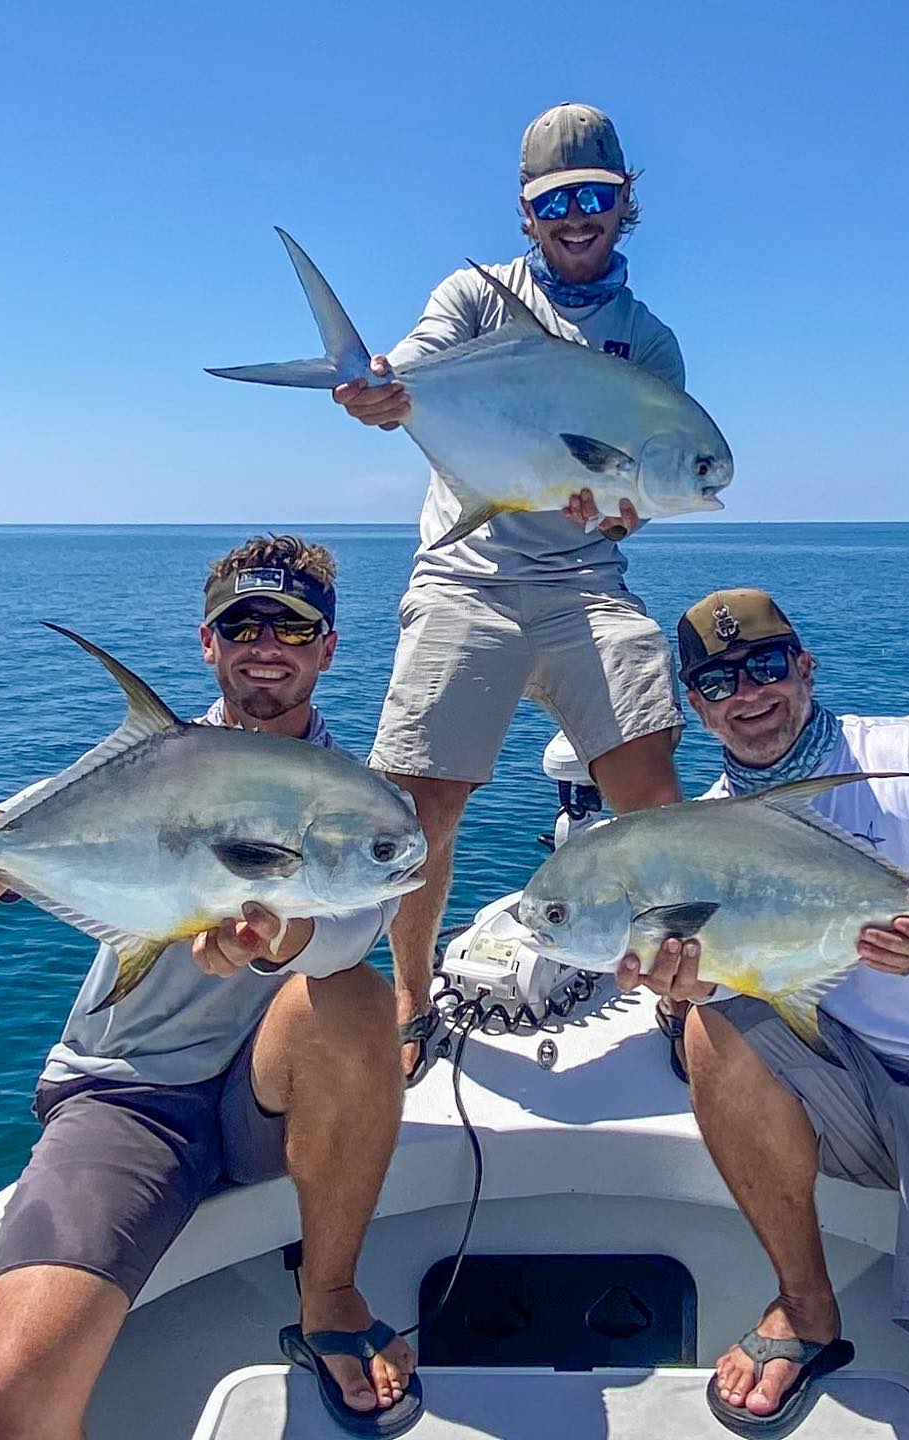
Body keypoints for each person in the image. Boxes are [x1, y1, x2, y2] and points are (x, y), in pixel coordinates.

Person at [0, 536, 421, 1440]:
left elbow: (346, 929)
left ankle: (330, 1291)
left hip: (278, 1097)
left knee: (347, 994)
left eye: (293, 626)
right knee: (19, 1404)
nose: (267, 643)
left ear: (329, 648)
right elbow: (9, 836)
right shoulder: (149, 767)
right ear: (208, 643)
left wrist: (277, 939)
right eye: (243, 624)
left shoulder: (362, 800)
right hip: (129, 1092)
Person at [620, 588, 909, 1440]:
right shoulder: (707, 829)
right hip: (845, 1075)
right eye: (719, 683)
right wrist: (693, 983)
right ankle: (806, 1309)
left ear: (805, 666)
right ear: (696, 707)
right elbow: (740, 978)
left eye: (765, 666)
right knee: (708, 1026)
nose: (749, 695)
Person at [334, 102, 688, 1077]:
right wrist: (376, 390)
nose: (577, 215)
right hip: (467, 573)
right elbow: (406, 371)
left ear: (627, 206)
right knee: (414, 814)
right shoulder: (477, 294)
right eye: (555, 201)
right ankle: (410, 996)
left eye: (597, 197)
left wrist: (620, 514)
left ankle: (671, 987)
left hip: (585, 583)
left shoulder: (649, 345)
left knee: (654, 803)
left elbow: (647, 491)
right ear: (527, 214)